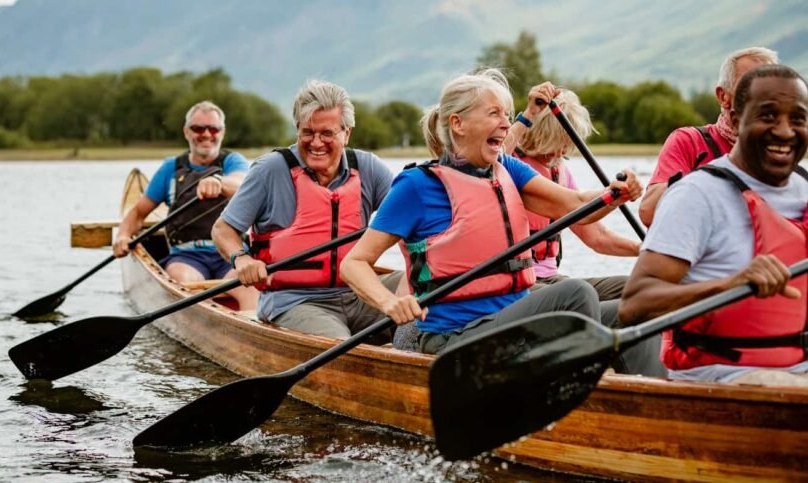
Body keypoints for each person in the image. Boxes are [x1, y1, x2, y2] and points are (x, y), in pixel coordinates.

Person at [339, 69, 662, 377]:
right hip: (454, 338)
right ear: (458, 123)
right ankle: (567, 394)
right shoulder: (416, 186)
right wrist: (390, 302)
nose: (507, 124)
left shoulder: (508, 169)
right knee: (575, 293)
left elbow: (576, 205)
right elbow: (354, 263)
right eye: (494, 114)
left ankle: (651, 400)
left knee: (638, 308)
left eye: (508, 115)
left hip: (513, 321)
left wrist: (613, 195)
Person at [619, 64, 808, 387]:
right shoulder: (696, 195)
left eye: (798, 119)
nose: (785, 131)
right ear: (735, 120)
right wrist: (728, 285)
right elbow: (633, 305)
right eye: (768, 116)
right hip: (720, 376)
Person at [211, 80, 400, 343]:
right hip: (295, 301)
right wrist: (242, 259)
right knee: (338, 345)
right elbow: (223, 229)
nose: (316, 143)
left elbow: (410, 217)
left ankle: (417, 351)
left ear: (347, 133)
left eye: (327, 133)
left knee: (430, 289)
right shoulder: (269, 170)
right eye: (307, 132)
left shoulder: (369, 167)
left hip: (359, 293)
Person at [114, 100, 258, 310]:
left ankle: (253, 327)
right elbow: (137, 213)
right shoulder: (170, 168)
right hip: (186, 257)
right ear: (186, 132)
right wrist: (123, 236)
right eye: (198, 128)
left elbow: (243, 185)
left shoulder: (233, 161)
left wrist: (219, 182)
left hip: (232, 253)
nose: (206, 134)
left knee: (251, 285)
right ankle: (210, 325)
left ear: (222, 132)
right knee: (183, 281)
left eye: (213, 128)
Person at [511, 89, 640, 301]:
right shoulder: (509, 165)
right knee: (578, 294)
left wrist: (643, 249)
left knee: (637, 288)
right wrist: (529, 114)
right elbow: (491, 161)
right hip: (520, 284)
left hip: (551, 280)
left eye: (566, 144)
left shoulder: (561, 171)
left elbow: (597, 237)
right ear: (538, 132)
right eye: (556, 142)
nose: (561, 152)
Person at [639, 47, 779, 227]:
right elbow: (648, 212)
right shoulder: (688, 141)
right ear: (723, 96)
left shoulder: (784, 150)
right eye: (750, 84)